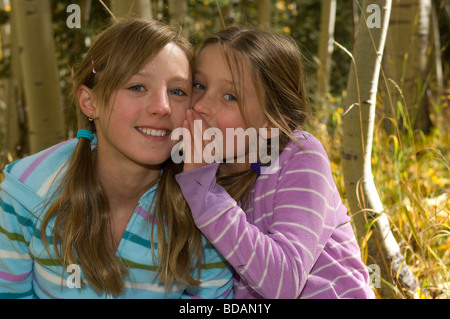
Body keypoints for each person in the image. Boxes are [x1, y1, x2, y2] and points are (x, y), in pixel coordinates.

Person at [0, 18, 233, 299]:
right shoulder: (28, 193)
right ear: (90, 102)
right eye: (137, 87)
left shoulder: (204, 204)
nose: (162, 106)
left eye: (177, 91)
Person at [175, 25, 375, 299]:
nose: (201, 106)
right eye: (199, 85)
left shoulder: (300, 157)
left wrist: (203, 191)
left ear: (272, 122)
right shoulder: (191, 170)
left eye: (230, 96)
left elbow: (284, 282)